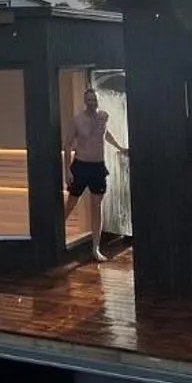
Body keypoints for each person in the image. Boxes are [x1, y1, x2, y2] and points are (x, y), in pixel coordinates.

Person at [63, 85, 128, 261]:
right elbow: (68, 144)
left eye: (95, 100)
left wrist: (120, 147)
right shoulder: (77, 120)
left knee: (96, 206)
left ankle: (95, 247)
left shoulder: (103, 117)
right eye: (89, 100)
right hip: (81, 165)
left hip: (98, 166)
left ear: (98, 101)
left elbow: (106, 135)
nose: (92, 103)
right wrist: (67, 170)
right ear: (85, 102)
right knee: (72, 203)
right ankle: (56, 234)